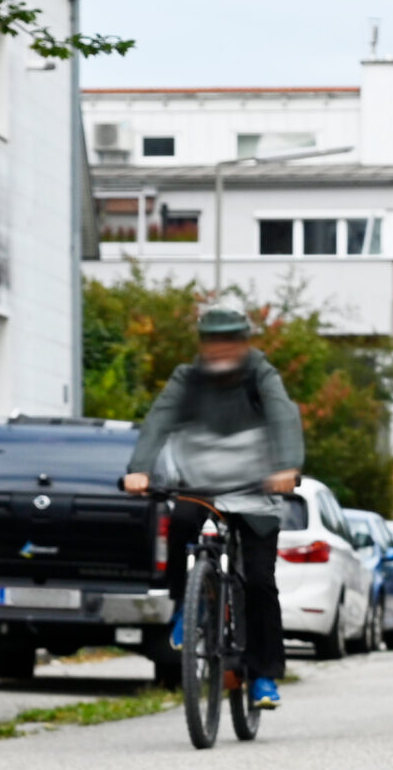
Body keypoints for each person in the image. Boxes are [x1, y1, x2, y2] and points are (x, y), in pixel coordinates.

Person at [120, 303, 304, 708]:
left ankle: (263, 676)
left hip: (255, 487)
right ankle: (186, 607)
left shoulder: (261, 375)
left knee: (259, 581)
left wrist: (288, 466)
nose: (220, 350)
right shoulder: (187, 380)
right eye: (212, 342)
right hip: (202, 482)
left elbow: (283, 416)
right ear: (202, 345)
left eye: (229, 342)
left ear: (243, 344)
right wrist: (140, 469)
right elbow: (158, 420)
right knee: (180, 524)